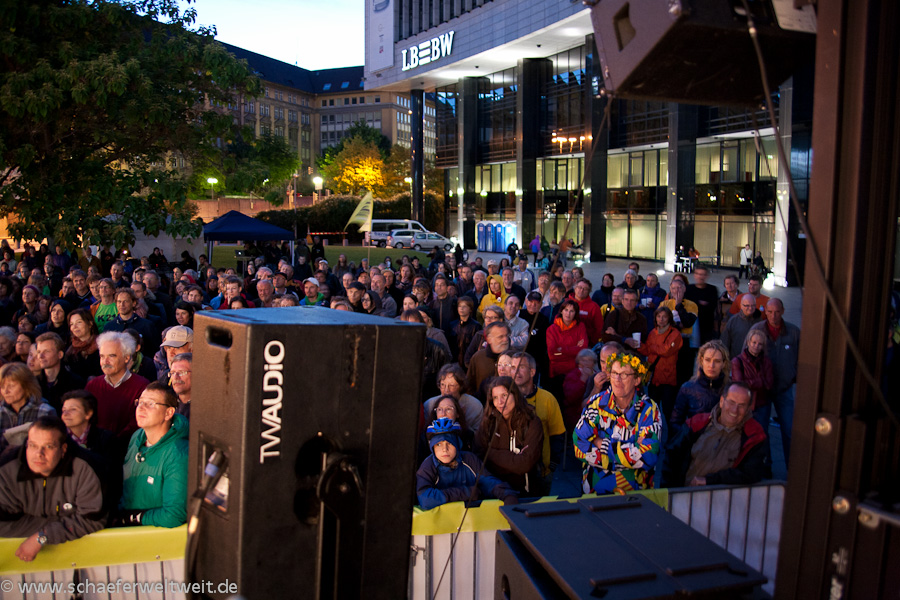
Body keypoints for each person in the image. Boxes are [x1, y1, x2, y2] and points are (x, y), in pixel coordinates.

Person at [0, 417, 105, 562]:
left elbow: (93, 520)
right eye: (33, 445)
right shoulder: (6, 470)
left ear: (63, 449)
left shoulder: (87, 468)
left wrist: (44, 535)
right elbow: (3, 524)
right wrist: (65, 523)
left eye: (48, 446)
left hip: (86, 561)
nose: (39, 454)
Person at [573, 352, 661, 494]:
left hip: (636, 492)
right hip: (595, 491)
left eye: (624, 374)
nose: (618, 379)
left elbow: (648, 456)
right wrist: (630, 451)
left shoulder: (648, 409)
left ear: (637, 380)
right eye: (614, 373)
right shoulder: (596, 403)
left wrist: (602, 444)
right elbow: (578, 444)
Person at [664, 382, 770, 487]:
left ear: (748, 409)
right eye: (731, 402)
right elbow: (671, 457)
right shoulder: (697, 423)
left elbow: (751, 473)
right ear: (722, 401)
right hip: (685, 494)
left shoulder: (754, 435)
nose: (735, 410)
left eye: (741, 405)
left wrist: (710, 480)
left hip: (725, 497)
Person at [115, 383, 189, 528]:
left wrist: (135, 518)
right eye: (140, 402)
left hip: (151, 534)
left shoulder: (178, 453)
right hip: (125, 527)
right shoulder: (137, 437)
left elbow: (174, 515)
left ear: (168, 413)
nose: (141, 408)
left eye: (150, 404)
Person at [416, 418, 517, 509]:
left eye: (449, 443)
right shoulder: (428, 466)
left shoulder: (469, 460)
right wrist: (467, 493)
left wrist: (507, 494)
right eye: (438, 444)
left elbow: (489, 482)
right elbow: (425, 499)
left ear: (457, 444)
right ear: (432, 447)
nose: (444, 449)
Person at [506, 352, 565, 495]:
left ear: (532, 372)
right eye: (513, 367)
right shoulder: (504, 399)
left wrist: (551, 465)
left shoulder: (548, 399)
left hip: (541, 474)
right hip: (510, 473)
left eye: (521, 367)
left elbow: (558, 434)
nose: (516, 372)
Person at [749, 298, 800, 464]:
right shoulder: (757, 330)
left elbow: (802, 357)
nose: (773, 316)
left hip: (784, 389)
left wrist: (793, 377)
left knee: (789, 430)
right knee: (762, 431)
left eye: (777, 312)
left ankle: (792, 468)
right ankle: (766, 467)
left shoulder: (793, 332)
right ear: (765, 311)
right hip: (762, 391)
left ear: (783, 311)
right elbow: (746, 356)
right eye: (770, 312)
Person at [475, 377, 543, 496]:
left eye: (504, 395)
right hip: (493, 493)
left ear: (515, 395)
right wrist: (513, 460)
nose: (500, 402)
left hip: (525, 494)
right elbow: (478, 457)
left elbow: (525, 464)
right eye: (495, 398)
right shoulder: (488, 422)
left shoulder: (532, 422)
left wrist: (489, 453)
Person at [85, 331, 149, 441]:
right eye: (102, 356)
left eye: (112, 356)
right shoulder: (93, 385)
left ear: (126, 358)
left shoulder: (142, 387)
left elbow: (137, 425)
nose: (105, 361)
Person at [670, 340, 730, 427]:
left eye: (717, 361)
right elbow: (675, 422)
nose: (711, 366)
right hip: (694, 434)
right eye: (708, 360)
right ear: (702, 361)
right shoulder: (688, 388)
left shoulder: (730, 389)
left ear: (723, 363)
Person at [641, 306, 684, 423]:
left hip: (668, 379)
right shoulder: (653, 332)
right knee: (652, 410)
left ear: (669, 318)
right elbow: (647, 350)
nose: (661, 319)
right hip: (654, 378)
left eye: (664, 317)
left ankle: (671, 433)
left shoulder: (675, 334)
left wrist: (651, 348)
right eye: (659, 316)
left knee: (668, 411)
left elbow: (666, 350)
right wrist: (638, 345)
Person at [0, 362, 56, 450]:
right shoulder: (1, 412)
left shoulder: (44, 411)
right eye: (2, 387)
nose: (6, 391)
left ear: (26, 385)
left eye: (11, 386)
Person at [731, 328, 775, 432]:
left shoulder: (766, 362)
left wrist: (750, 382)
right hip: (743, 404)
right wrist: (759, 381)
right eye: (754, 342)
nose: (756, 346)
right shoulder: (737, 361)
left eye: (760, 344)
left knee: (762, 434)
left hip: (762, 404)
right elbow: (739, 384)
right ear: (748, 342)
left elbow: (769, 385)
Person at [424, 365, 483, 435]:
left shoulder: (475, 406)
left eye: (451, 385)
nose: (446, 390)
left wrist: (462, 421)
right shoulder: (429, 405)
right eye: (442, 385)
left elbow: (478, 436)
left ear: (461, 386)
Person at [36, 332, 85, 414]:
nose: (41, 356)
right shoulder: (34, 384)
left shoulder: (75, 383)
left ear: (60, 354)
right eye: (38, 352)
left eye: (46, 351)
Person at [546, 299, 589, 381]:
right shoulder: (551, 329)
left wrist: (562, 349)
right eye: (566, 310)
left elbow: (583, 349)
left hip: (576, 371)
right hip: (557, 372)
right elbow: (552, 355)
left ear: (575, 313)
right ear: (561, 311)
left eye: (571, 311)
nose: (568, 314)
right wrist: (575, 349)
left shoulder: (580, 327)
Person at [466, 321, 510, 401]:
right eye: (500, 337)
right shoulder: (478, 357)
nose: (505, 339)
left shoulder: (516, 357)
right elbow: (469, 386)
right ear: (489, 339)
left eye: (506, 335)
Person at [721, 293, 764, 361]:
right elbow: (725, 342)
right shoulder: (733, 321)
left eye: (753, 305)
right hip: (736, 361)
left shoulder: (759, 322)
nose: (750, 308)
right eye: (747, 306)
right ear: (741, 305)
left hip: (755, 362)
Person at [63, 308, 101, 380]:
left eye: (79, 322)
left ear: (90, 324)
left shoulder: (101, 345)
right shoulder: (70, 350)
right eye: (71, 324)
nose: (74, 327)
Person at [685, 265, 719, 344]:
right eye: (698, 274)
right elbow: (687, 307)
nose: (700, 277)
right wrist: (701, 303)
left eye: (703, 274)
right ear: (694, 275)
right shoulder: (689, 289)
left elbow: (712, 307)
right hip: (691, 327)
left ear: (707, 276)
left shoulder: (712, 290)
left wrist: (696, 303)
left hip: (707, 327)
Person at [169, 353, 192, 421]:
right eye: (173, 373)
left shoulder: (207, 406)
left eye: (182, 372)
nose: (176, 377)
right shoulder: (167, 402)